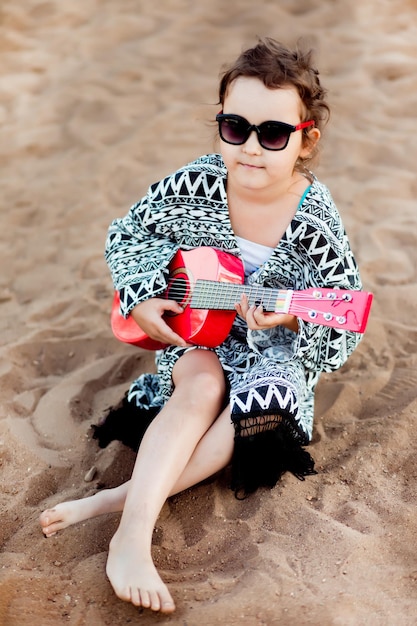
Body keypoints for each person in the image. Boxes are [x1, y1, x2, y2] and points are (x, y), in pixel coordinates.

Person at [40, 38, 364, 613]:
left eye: (273, 134)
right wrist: (141, 297)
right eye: (236, 128)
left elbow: (344, 310)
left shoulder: (316, 220)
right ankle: (132, 538)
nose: (252, 148)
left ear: (305, 138)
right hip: (201, 331)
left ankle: (120, 497)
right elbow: (130, 232)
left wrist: (292, 313)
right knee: (201, 386)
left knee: (267, 399)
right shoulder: (195, 184)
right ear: (220, 125)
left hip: (275, 347)